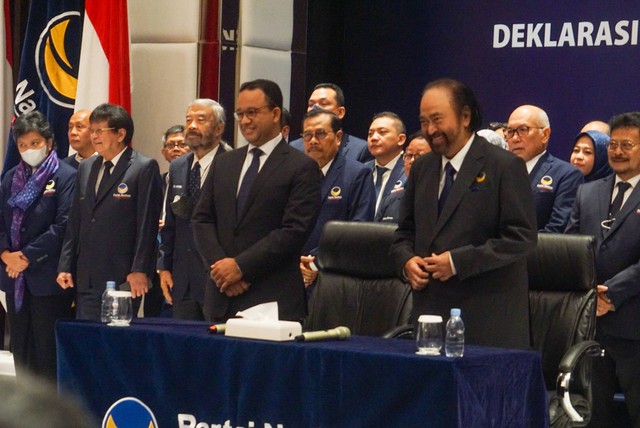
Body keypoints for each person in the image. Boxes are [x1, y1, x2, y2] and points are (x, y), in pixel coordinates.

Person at [390, 78, 537, 349]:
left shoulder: (504, 166)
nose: (430, 130)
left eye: (437, 119)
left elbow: (522, 239)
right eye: (423, 122)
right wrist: (406, 262)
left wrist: (458, 262)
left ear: (465, 116)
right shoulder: (422, 168)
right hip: (429, 319)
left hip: (486, 323)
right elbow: (404, 234)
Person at [192, 79, 322, 322]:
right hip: (221, 297)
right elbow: (202, 219)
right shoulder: (224, 162)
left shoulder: (301, 166)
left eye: (252, 113)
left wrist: (240, 267)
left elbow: (293, 231)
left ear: (275, 114)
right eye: (240, 114)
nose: (244, 121)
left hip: (271, 299)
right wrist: (221, 268)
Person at [565, 112, 640, 426]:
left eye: (627, 145)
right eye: (613, 144)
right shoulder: (588, 191)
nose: (618, 151)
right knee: (595, 416)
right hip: (591, 325)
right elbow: (568, 246)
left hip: (633, 322)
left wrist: (612, 292)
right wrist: (590, 291)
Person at [57, 103, 163, 321]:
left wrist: (139, 269)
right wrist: (66, 265)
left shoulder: (143, 167)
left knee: (115, 344)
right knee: (86, 342)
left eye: (99, 131)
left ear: (120, 133)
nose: (93, 136)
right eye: (92, 130)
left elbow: (147, 225)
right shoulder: (87, 167)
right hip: (86, 276)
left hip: (123, 276)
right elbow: (75, 221)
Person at [0, 111, 75, 379]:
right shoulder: (10, 178)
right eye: (22, 145)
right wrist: (6, 254)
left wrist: (27, 256)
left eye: (34, 143)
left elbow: (63, 225)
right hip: (14, 276)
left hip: (48, 276)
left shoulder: (67, 175)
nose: (29, 150)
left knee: (47, 351)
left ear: (49, 142)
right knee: (20, 348)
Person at [157, 100, 230, 320]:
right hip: (183, 278)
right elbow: (170, 223)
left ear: (219, 128)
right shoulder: (178, 166)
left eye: (201, 119)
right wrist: (164, 266)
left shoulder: (232, 163)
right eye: (188, 120)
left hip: (218, 278)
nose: (192, 126)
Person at [298, 109, 375, 288]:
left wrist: (314, 263)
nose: (313, 141)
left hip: (335, 278)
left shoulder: (358, 174)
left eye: (320, 134)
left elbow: (358, 229)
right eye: (307, 135)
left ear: (338, 137)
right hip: (295, 276)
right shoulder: (295, 174)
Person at [506, 105, 584, 233]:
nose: (515, 138)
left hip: (539, 250)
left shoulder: (567, 175)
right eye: (510, 131)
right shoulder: (500, 171)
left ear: (545, 135)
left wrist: (513, 247)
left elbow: (557, 229)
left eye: (523, 130)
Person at [289, 83, 373, 163]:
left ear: (340, 112)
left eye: (323, 103)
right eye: (311, 104)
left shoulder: (360, 149)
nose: (315, 108)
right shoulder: (294, 147)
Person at [376, 131, 430, 223]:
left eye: (420, 156)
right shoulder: (390, 200)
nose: (412, 161)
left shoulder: (444, 199)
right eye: (409, 155)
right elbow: (375, 235)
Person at [366, 112, 407, 222]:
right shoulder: (361, 171)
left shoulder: (410, 170)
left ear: (401, 139)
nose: (373, 138)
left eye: (382, 132)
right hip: (359, 236)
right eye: (370, 134)